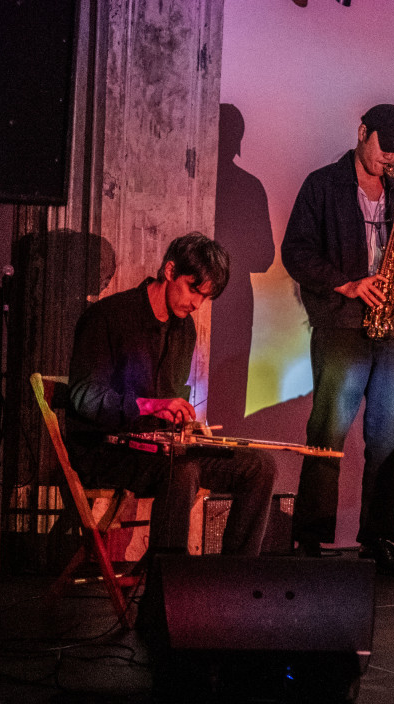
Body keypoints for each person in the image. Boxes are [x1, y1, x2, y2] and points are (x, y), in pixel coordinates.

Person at [280, 104, 394, 578]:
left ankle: (378, 540)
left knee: (389, 436)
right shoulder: (322, 185)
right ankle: (310, 539)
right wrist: (347, 284)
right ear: (363, 132)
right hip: (342, 324)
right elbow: (295, 251)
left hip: (393, 329)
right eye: (385, 147)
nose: (391, 159)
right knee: (328, 432)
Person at [65, 232, 276, 558]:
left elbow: (170, 399)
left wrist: (186, 427)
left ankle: (235, 576)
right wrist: (149, 406)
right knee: (182, 469)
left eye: (205, 297)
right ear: (170, 270)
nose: (196, 304)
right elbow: (83, 397)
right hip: (107, 450)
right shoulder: (108, 316)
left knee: (259, 466)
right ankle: (166, 583)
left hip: (160, 449)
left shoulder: (184, 329)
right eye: (193, 289)